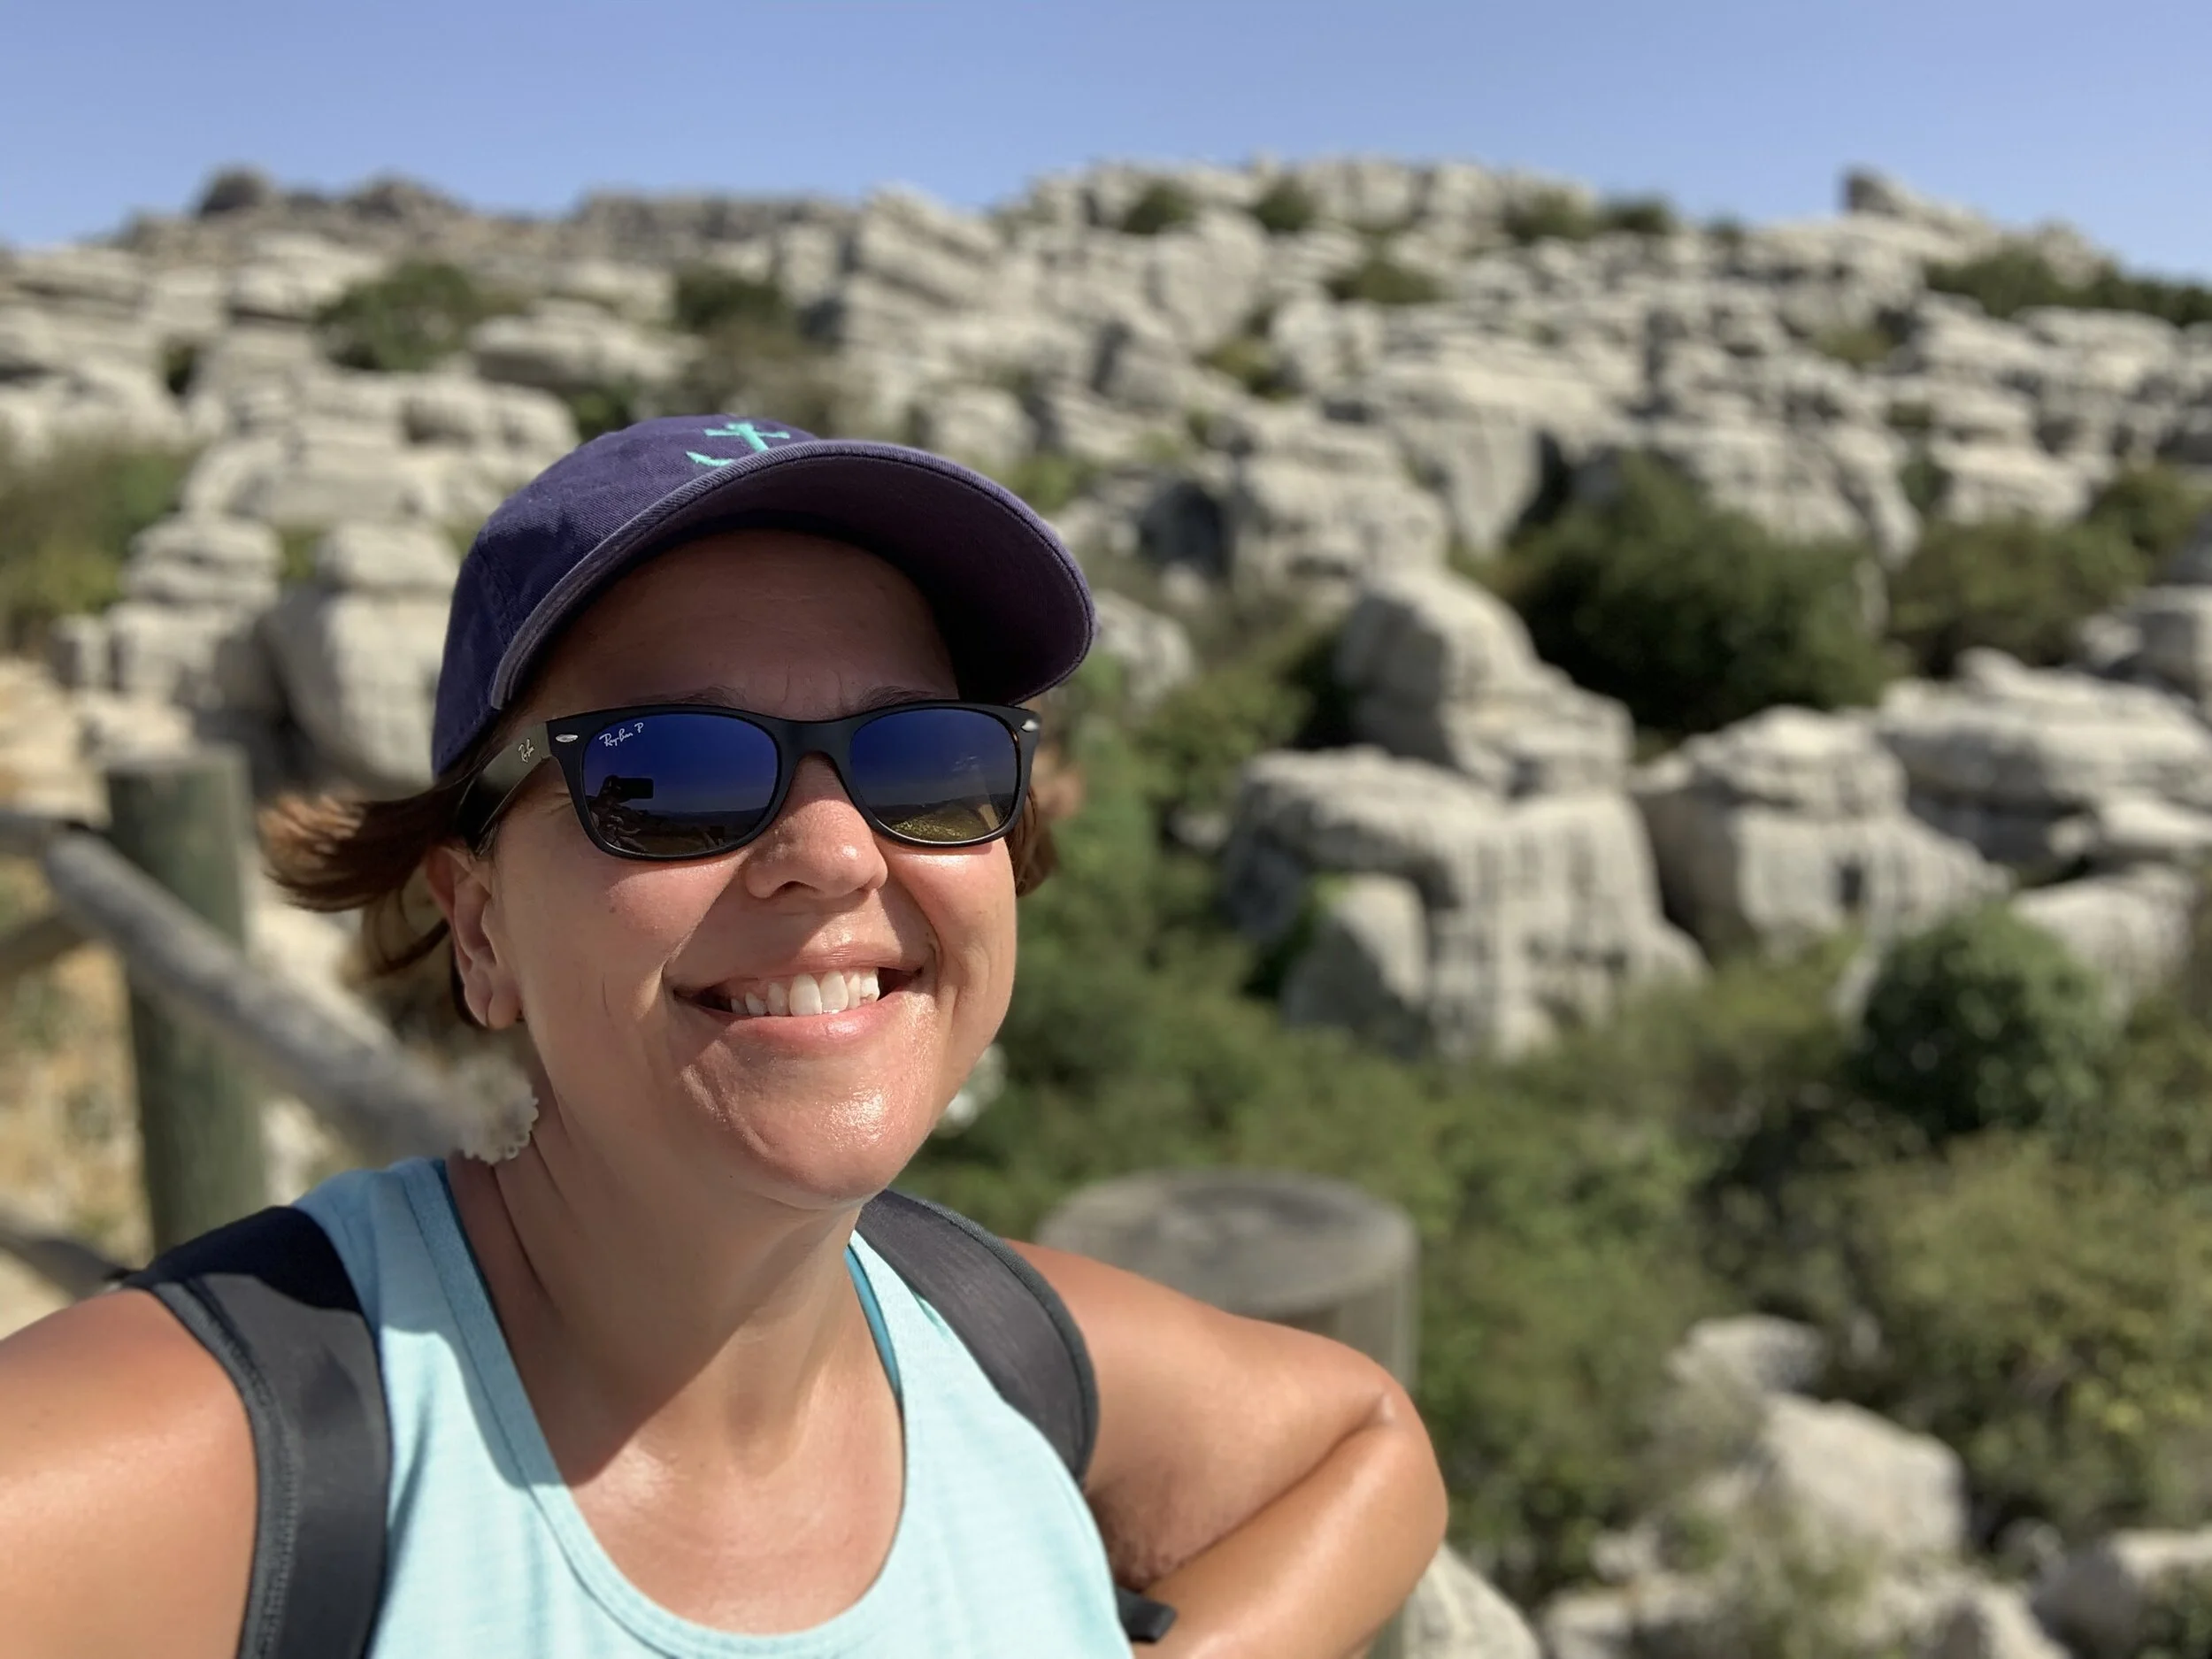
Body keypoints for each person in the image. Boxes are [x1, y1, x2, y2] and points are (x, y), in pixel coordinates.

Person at [0, 417, 1448, 1657]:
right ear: (482, 924)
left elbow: (1366, 1442)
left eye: (927, 759)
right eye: (672, 772)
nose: (831, 850)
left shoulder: (979, 1341)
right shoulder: (256, 1460)